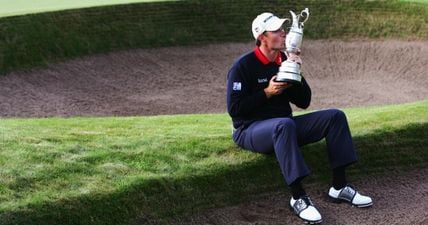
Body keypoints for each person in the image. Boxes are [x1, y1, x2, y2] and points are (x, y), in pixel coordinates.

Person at [226, 12, 373, 224]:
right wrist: (267, 92)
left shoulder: (284, 60)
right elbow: (235, 109)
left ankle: (339, 187)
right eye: (276, 30)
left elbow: (304, 102)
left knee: (335, 117)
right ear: (262, 37)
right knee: (284, 125)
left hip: (284, 127)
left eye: (282, 28)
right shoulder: (243, 66)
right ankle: (298, 198)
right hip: (249, 130)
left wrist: (296, 71)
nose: (282, 32)